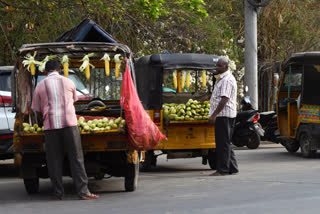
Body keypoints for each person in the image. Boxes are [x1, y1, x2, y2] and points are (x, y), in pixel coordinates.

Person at [31, 60, 99, 200]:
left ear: (45, 72)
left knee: (54, 160)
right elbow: (73, 100)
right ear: (60, 70)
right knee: (77, 158)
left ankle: (58, 193)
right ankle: (83, 192)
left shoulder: (40, 86)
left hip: (50, 126)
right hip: (70, 124)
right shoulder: (69, 82)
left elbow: (36, 109)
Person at [208, 57, 239, 176]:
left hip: (223, 115)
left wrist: (214, 115)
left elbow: (224, 99)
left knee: (222, 144)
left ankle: (223, 170)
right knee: (226, 142)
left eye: (219, 66)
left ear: (225, 67)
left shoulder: (226, 80)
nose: (216, 67)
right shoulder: (223, 79)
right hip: (225, 115)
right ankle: (233, 167)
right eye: (217, 65)